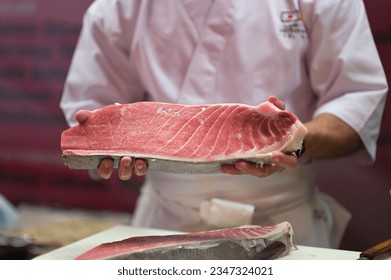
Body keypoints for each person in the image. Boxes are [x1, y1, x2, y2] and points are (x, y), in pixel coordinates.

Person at [60, 0, 388, 248]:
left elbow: (358, 97)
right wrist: (108, 140)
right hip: (166, 220)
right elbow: (90, 102)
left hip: (286, 219)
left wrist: (295, 141)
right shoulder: (120, 7)